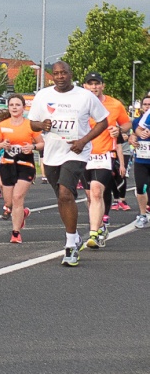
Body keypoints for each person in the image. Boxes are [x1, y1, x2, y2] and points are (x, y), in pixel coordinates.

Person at [27, 61, 108, 266]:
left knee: (65, 193)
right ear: (52, 76)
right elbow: (32, 123)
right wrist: (42, 125)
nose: (60, 76)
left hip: (76, 151)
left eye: (64, 73)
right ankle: (75, 236)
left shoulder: (85, 96)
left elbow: (103, 121)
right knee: (62, 198)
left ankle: (70, 245)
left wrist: (83, 141)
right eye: (56, 73)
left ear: (71, 74)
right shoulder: (43, 95)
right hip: (53, 152)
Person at [79, 73, 131, 249]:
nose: (94, 87)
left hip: (105, 154)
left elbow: (126, 124)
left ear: (103, 86)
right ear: (85, 86)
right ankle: (100, 226)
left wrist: (118, 129)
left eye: (97, 84)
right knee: (90, 196)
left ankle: (93, 233)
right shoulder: (79, 104)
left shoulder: (114, 104)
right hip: (84, 155)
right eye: (90, 84)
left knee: (96, 191)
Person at [0, 94, 43, 243]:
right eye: (12, 105)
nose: (14, 107)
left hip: (25, 164)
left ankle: (15, 233)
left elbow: (42, 143)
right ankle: (22, 213)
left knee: (17, 197)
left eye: (17, 105)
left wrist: (32, 147)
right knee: (9, 203)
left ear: (23, 107)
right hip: (7, 164)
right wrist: (2, 145)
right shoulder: (3, 125)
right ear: (8, 108)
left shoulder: (30, 125)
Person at [129, 94, 150, 228]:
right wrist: (132, 139)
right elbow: (133, 135)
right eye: (145, 104)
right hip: (141, 160)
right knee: (140, 187)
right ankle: (142, 215)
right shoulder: (137, 121)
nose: (147, 107)